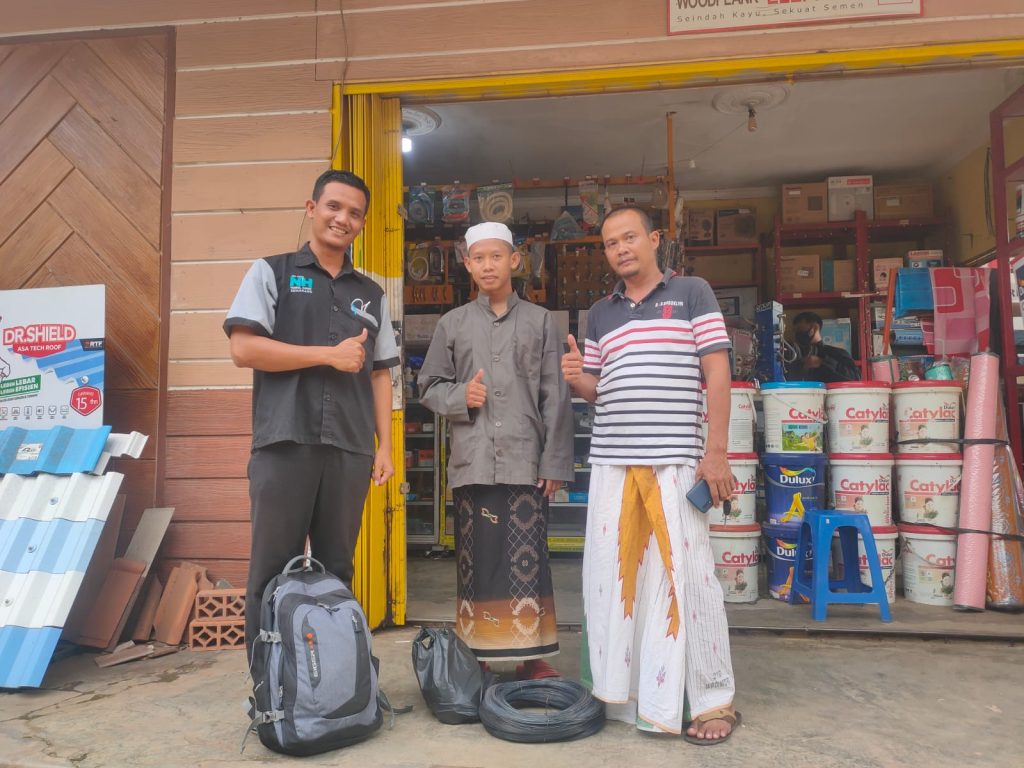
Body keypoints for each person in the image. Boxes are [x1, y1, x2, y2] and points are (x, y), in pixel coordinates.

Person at [561, 205, 740, 745]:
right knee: (614, 578)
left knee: (692, 579)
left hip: (675, 461)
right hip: (613, 462)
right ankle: (631, 694)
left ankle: (714, 701)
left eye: (630, 237)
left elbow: (717, 371)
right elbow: (598, 390)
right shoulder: (600, 313)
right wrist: (577, 380)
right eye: (611, 243)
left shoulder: (692, 293)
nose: (621, 249)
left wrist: (716, 452)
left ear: (654, 239)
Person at [223, 169, 400, 657]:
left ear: (362, 223)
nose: (343, 219)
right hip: (285, 440)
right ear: (311, 208)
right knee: (271, 567)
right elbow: (244, 348)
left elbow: (381, 373)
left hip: (348, 446)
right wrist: (327, 356)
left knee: (337, 567)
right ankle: (270, 682)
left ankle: (331, 677)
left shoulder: (372, 294)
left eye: (355, 213)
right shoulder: (272, 271)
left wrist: (384, 446)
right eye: (334, 207)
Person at [418, 221, 573, 679]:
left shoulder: (540, 320)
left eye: (495, 256)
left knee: (528, 558)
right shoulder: (453, 323)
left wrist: (555, 461)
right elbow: (428, 385)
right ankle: (478, 656)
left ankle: (531, 655)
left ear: (514, 260)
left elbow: (555, 394)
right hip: (474, 460)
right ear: (467, 264)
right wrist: (460, 397)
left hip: (525, 459)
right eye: (478, 257)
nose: (487, 265)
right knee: (478, 561)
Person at [787, 311, 860, 383]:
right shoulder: (793, 355)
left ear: (815, 328)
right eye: (795, 331)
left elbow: (856, 378)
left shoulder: (835, 353)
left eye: (800, 329)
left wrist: (822, 362)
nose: (797, 334)